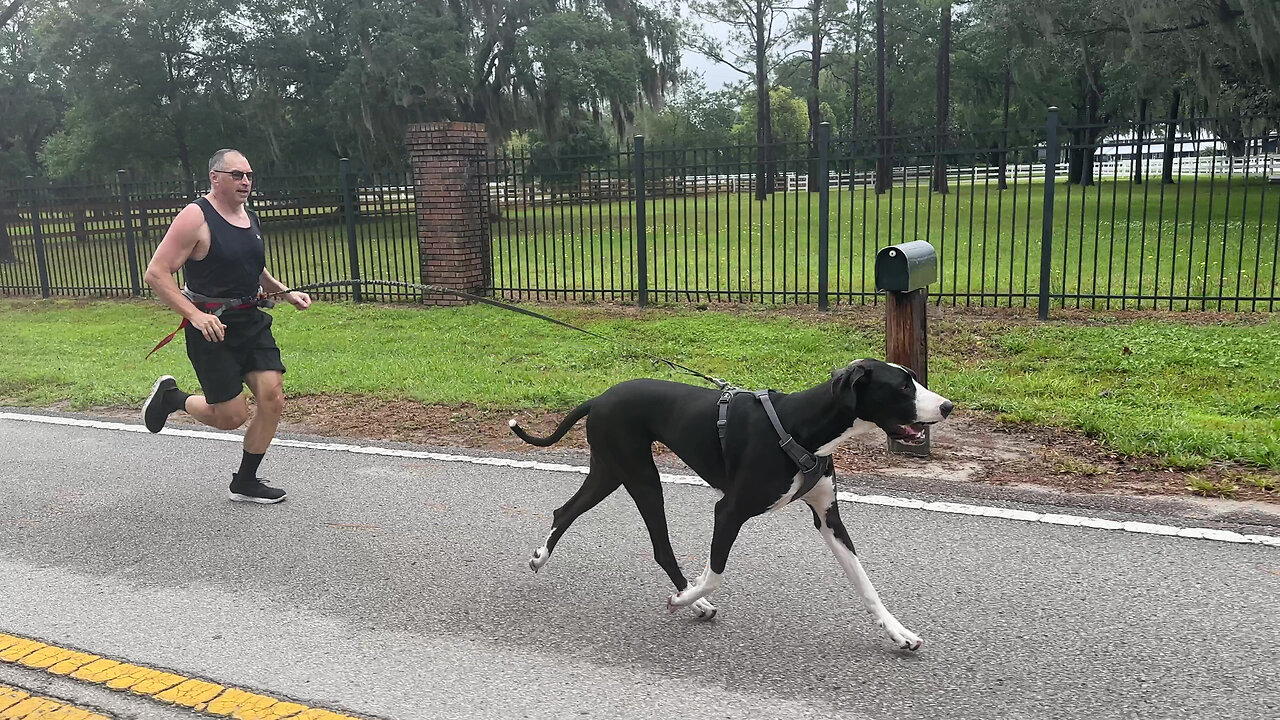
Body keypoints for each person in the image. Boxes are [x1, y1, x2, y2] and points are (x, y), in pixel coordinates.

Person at [141, 148, 311, 504]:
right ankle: (173, 398)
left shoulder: (249, 217)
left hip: (250, 321)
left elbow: (254, 269)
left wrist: (285, 292)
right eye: (237, 175)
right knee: (231, 416)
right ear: (214, 177)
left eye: (248, 175)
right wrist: (195, 315)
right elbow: (156, 273)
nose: (245, 182)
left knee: (272, 396)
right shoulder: (195, 217)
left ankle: (246, 482)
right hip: (211, 328)